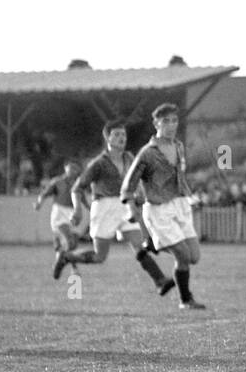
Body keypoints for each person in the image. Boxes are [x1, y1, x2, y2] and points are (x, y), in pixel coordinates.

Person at [52, 119, 176, 296]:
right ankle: (66, 257)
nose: (121, 138)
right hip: (104, 208)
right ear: (108, 139)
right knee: (99, 257)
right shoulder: (99, 163)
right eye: (116, 134)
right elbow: (77, 188)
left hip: (125, 206)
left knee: (138, 244)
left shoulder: (129, 158)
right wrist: (78, 209)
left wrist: (141, 193)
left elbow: (136, 179)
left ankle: (160, 281)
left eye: (123, 134)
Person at [121, 104, 206, 310]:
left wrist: (191, 197)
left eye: (174, 121)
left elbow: (180, 178)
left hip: (180, 205)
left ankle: (151, 245)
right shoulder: (147, 153)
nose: (171, 125)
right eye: (166, 121)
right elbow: (128, 185)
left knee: (194, 257)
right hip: (159, 209)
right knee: (183, 256)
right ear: (156, 123)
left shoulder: (178, 146)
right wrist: (132, 209)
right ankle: (185, 300)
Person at [35, 161, 89, 278]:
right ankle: (73, 267)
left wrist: (91, 208)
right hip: (59, 213)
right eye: (71, 168)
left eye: (75, 168)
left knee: (70, 243)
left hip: (71, 214)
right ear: (65, 168)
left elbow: (83, 199)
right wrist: (39, 203)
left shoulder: (77, 184)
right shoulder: (57, 182)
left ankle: (60, 261)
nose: (73, 170)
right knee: (69, 240)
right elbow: (44, 194)